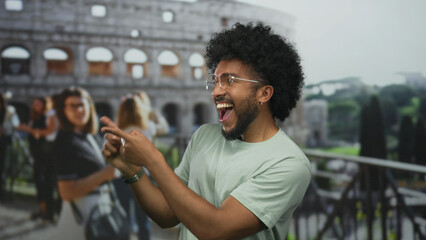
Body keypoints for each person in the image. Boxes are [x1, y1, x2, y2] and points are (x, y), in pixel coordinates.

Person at [102, 22, 311, 239]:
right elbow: (167, 214)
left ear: (264, 93)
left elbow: (216, 230)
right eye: (215, 81)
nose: (216, 92)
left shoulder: (288, 163)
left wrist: (153, 160)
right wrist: (133, 172)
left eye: (229, 80)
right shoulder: (204, 136)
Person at [52, 87, 116, 239]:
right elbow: (67, 192)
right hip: (80, 214)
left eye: (83, 104)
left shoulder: (89, 136)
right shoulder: (65, 141)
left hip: (98, 208)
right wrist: (105, 174)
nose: (79, 109)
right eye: (73, 106)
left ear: (90, 107)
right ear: (63, 111)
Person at [113, 93, 155, 240]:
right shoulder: (148, 127)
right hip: (143, 176)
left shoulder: (116, 129)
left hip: (121, 176)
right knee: (143, 218)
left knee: (123, 216)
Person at [18, 97, 51, 220]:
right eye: (35, 103)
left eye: (38, 103)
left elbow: (42, 132)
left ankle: (45, 208)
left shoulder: (44, 117)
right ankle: (43, 207)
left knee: (41, 180)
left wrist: (28, 129)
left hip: (42, 154)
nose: (35, 105)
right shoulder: (34, 117)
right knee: (38, 180)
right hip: (36, 153)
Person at [0, 94, 20, 200]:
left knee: (2, 165)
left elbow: (15, 123)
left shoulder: (9, 111)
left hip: (4, 141)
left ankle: (2, 191)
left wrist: (4, 129)